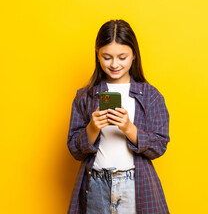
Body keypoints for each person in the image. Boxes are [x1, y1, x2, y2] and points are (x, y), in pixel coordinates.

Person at [67, 19, 170, 214]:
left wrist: (129, 129)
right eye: (107, 57)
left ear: (134, 57)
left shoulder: (151, 96)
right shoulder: (85, 96)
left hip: (134, 184)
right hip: (95, 183)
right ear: (97, 56)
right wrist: (92, 128)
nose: (115, 64)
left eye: (122, 57)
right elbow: (74, 149)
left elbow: (159, 146)